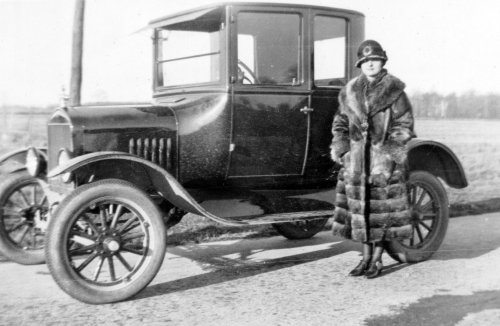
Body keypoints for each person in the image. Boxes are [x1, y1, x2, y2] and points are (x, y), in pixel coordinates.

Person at [330, 40, 416, 278]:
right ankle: (365, 258)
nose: (370, 64)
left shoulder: (395, 91)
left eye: (374, 60)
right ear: (360, 64)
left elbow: (404, 125)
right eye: (365, 61)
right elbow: (340, 123)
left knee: (382, 214)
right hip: (356, 163)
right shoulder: (349, 91)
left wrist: (390, 152)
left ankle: (377, 260)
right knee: (362, 213)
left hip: (383, 163)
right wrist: (343, 149)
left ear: (382, 61)